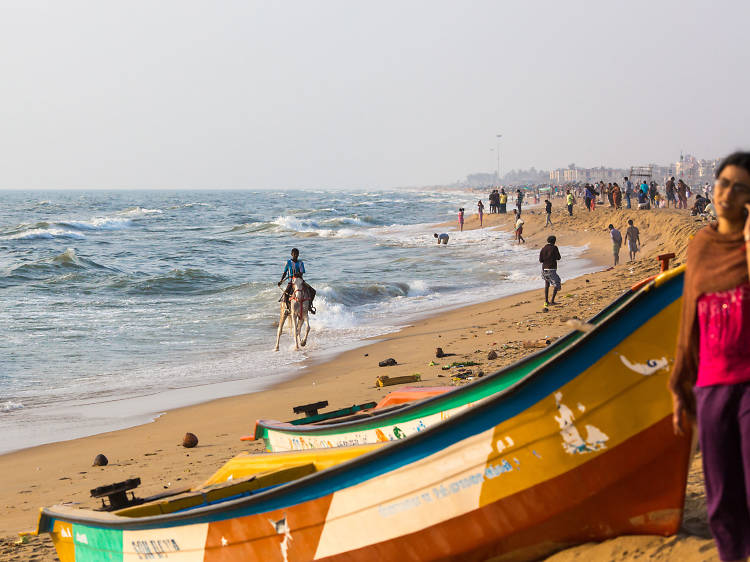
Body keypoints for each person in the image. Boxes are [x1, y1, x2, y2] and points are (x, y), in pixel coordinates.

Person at [669, 151, 750, 562]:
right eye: (723, 183)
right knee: (721, 496)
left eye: (740, 187)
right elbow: (689, 320)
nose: (728, 193)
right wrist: (680, 384)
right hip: (712, 387)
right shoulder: (701, 246)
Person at [278, 247, 316, 314]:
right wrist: (281, 281)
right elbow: (285, 272)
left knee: (313, 291)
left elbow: (301, 273)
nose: (295, 255)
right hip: (291, 282)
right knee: (285, 294)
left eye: (297, 254)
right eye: (294, 254)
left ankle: (309, 306)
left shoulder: (301, 263)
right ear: (291, 254)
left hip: (300, 281)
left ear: (298, 254)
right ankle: (287, 308)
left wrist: (297, 274)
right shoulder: (288, 262)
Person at [539, 235, 562, 306]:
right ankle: (552, 301)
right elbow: (558, 257)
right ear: (554, 241)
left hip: (544, 269)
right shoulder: (554, 248)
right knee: (557, 284)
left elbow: (540, 260)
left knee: (547, 284)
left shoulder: (543, 248)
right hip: (552, 268)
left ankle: (546, 301)